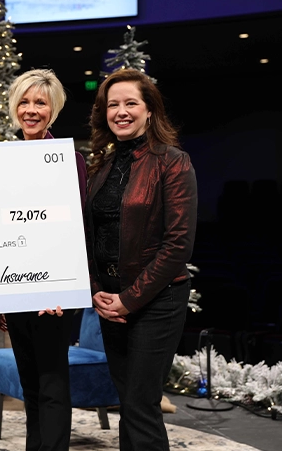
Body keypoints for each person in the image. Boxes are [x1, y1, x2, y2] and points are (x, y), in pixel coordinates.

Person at [85, 68, 197, 451]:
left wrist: (129, 299)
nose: (121, 111)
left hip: (156, 301)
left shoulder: (173, 162)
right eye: (113, 104)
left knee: (140, 402)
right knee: (128, 402)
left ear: (150, 110)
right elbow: (90, 237)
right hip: (111, 300)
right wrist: (98, 290)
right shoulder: (100, 166)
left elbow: (178, 245)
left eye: (131, 103)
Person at [0, 68, 87, 451]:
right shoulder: (0, 159)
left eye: (40, 103)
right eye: (24, 101)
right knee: (31, 386)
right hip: (15, 290)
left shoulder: (69, 158)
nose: (31, 110)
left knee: (52, 386)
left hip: (53, 295)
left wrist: (64, 290)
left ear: (53, 111)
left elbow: (77, 228)